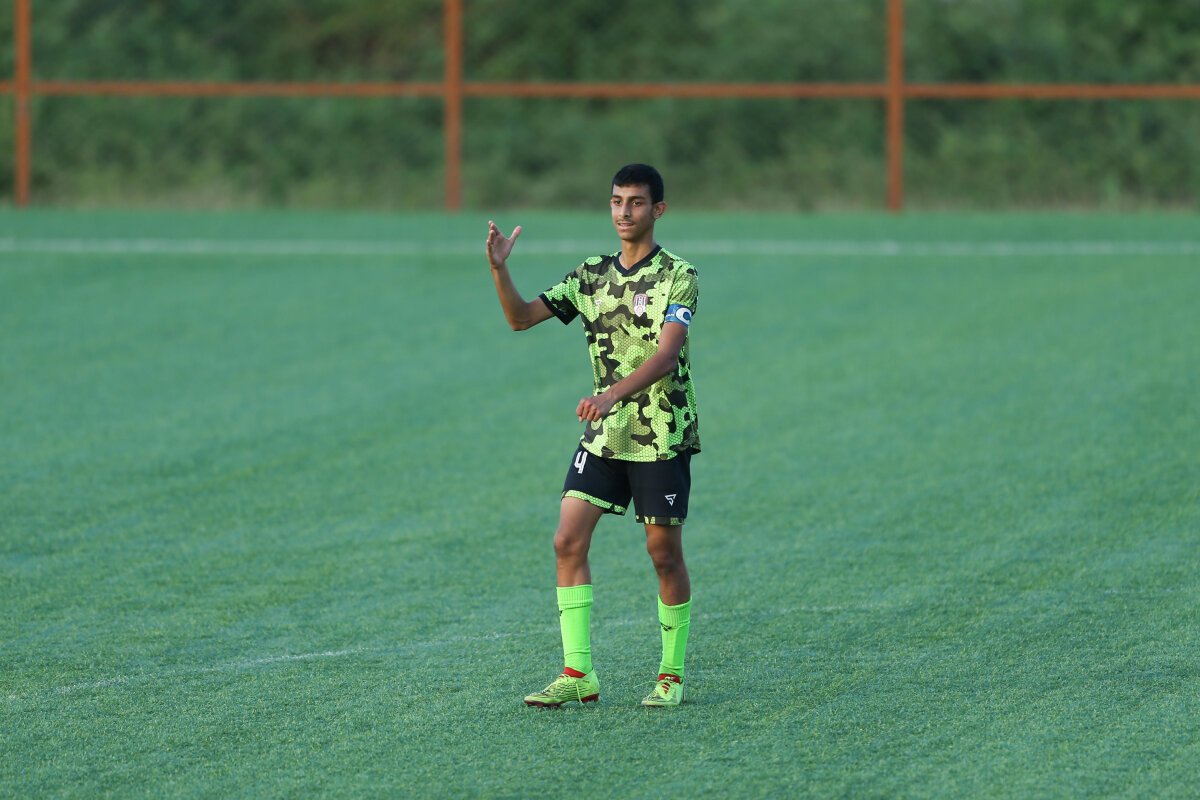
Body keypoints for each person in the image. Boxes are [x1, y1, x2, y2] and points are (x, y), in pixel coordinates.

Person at [485, 163, 700, 709]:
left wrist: (608, 396)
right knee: (567, 540)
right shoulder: (590, 276)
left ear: (658, 210)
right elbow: (520, 318)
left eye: (636, 202)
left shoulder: (678, 275)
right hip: (605, 436)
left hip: (659, 432)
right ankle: (578, 672)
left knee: (663, 554)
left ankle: (671, 674)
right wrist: (500, 270)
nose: (624, 212)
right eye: (616, 201)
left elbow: (666, 356)